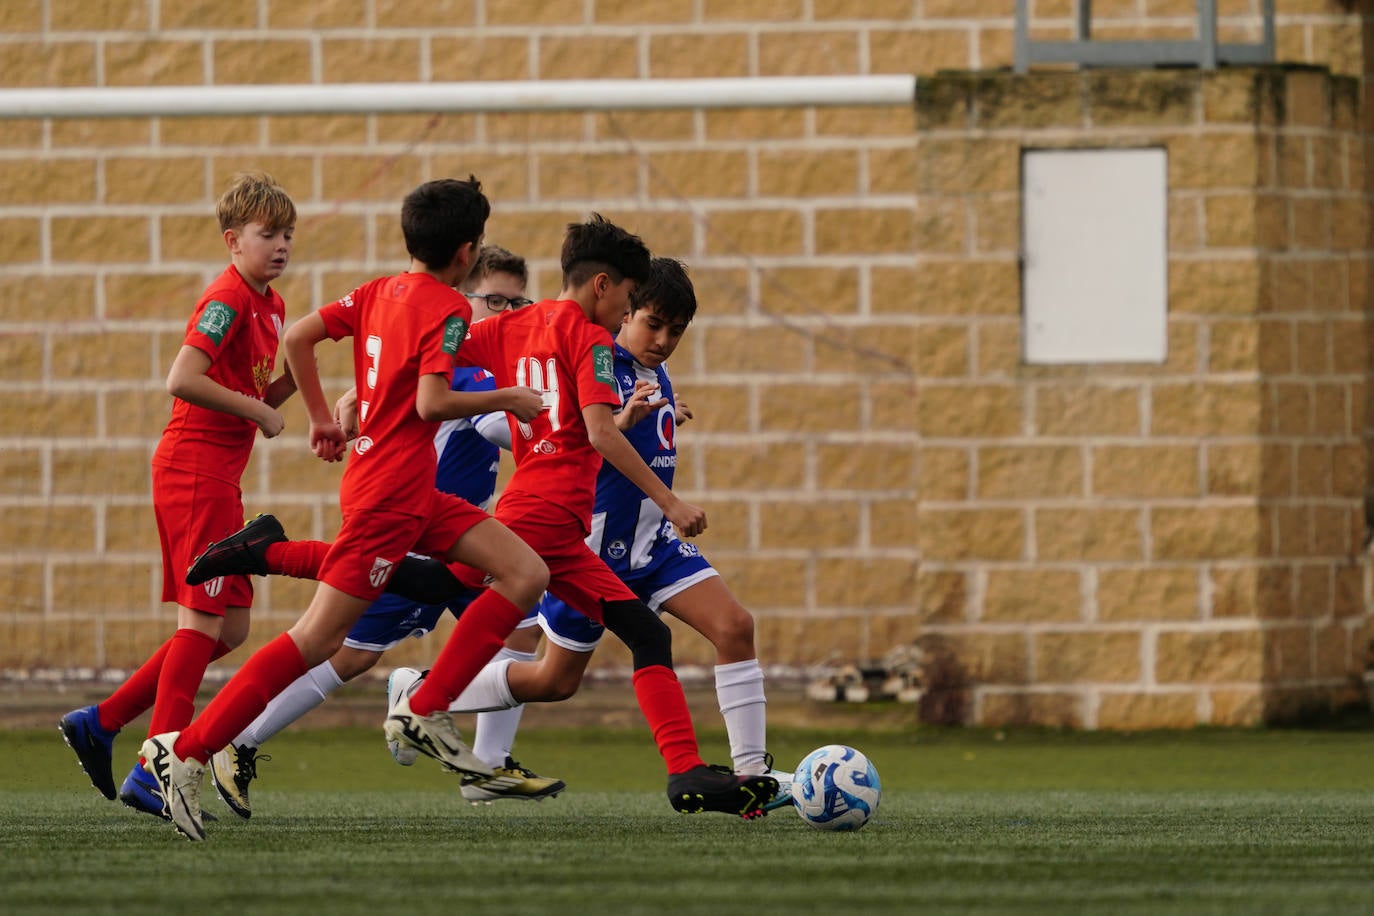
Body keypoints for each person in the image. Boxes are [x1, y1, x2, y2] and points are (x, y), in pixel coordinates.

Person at [190, 216, 777, 825]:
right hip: (535, 517)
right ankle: (422, 700)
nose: (635, 313)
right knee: (400, 606)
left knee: (466, 592)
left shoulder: (516, 324)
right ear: (605, 286)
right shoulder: (595, 343)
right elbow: (590, 430)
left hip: (539, 517)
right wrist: (673, 501)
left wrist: (364, 397)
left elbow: (431, 362)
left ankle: (683, 771)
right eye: (632, 298)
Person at [140, 176, 550, 842]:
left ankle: (426, 704)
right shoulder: (446, 306)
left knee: (525, 575)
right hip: (388, 498)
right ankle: (183, 749)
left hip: (417, 492)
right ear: (467, 251)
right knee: (318, 641)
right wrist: (506, 398)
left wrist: (325, 420)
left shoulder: (376, 290)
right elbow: (430, 403)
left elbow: (301, 339)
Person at [401, 257, 792, 809]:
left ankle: (754, 774)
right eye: (652, 324)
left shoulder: (647, 366)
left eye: (675, 331)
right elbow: (589, 434)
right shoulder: (596, 356)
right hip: (592, 550)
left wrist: (659, 417)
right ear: (624, 312)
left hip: (652, 546)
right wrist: (656, 476)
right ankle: (421, 694)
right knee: (554, 682)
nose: (662, 340)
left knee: (734, 626)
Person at [58, 172, 299, 819]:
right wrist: (259, 406)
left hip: (219, 472)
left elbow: (256, 396)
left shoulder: (271, 305)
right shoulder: (225, 298)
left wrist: (297, 379)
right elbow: (184, 377)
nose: (280, 245)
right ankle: (154, 767)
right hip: (194, 470)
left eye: (287, 234)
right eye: (267, 233)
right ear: (233, 241)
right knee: (201, 618)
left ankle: (102, 721)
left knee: (232, 627)